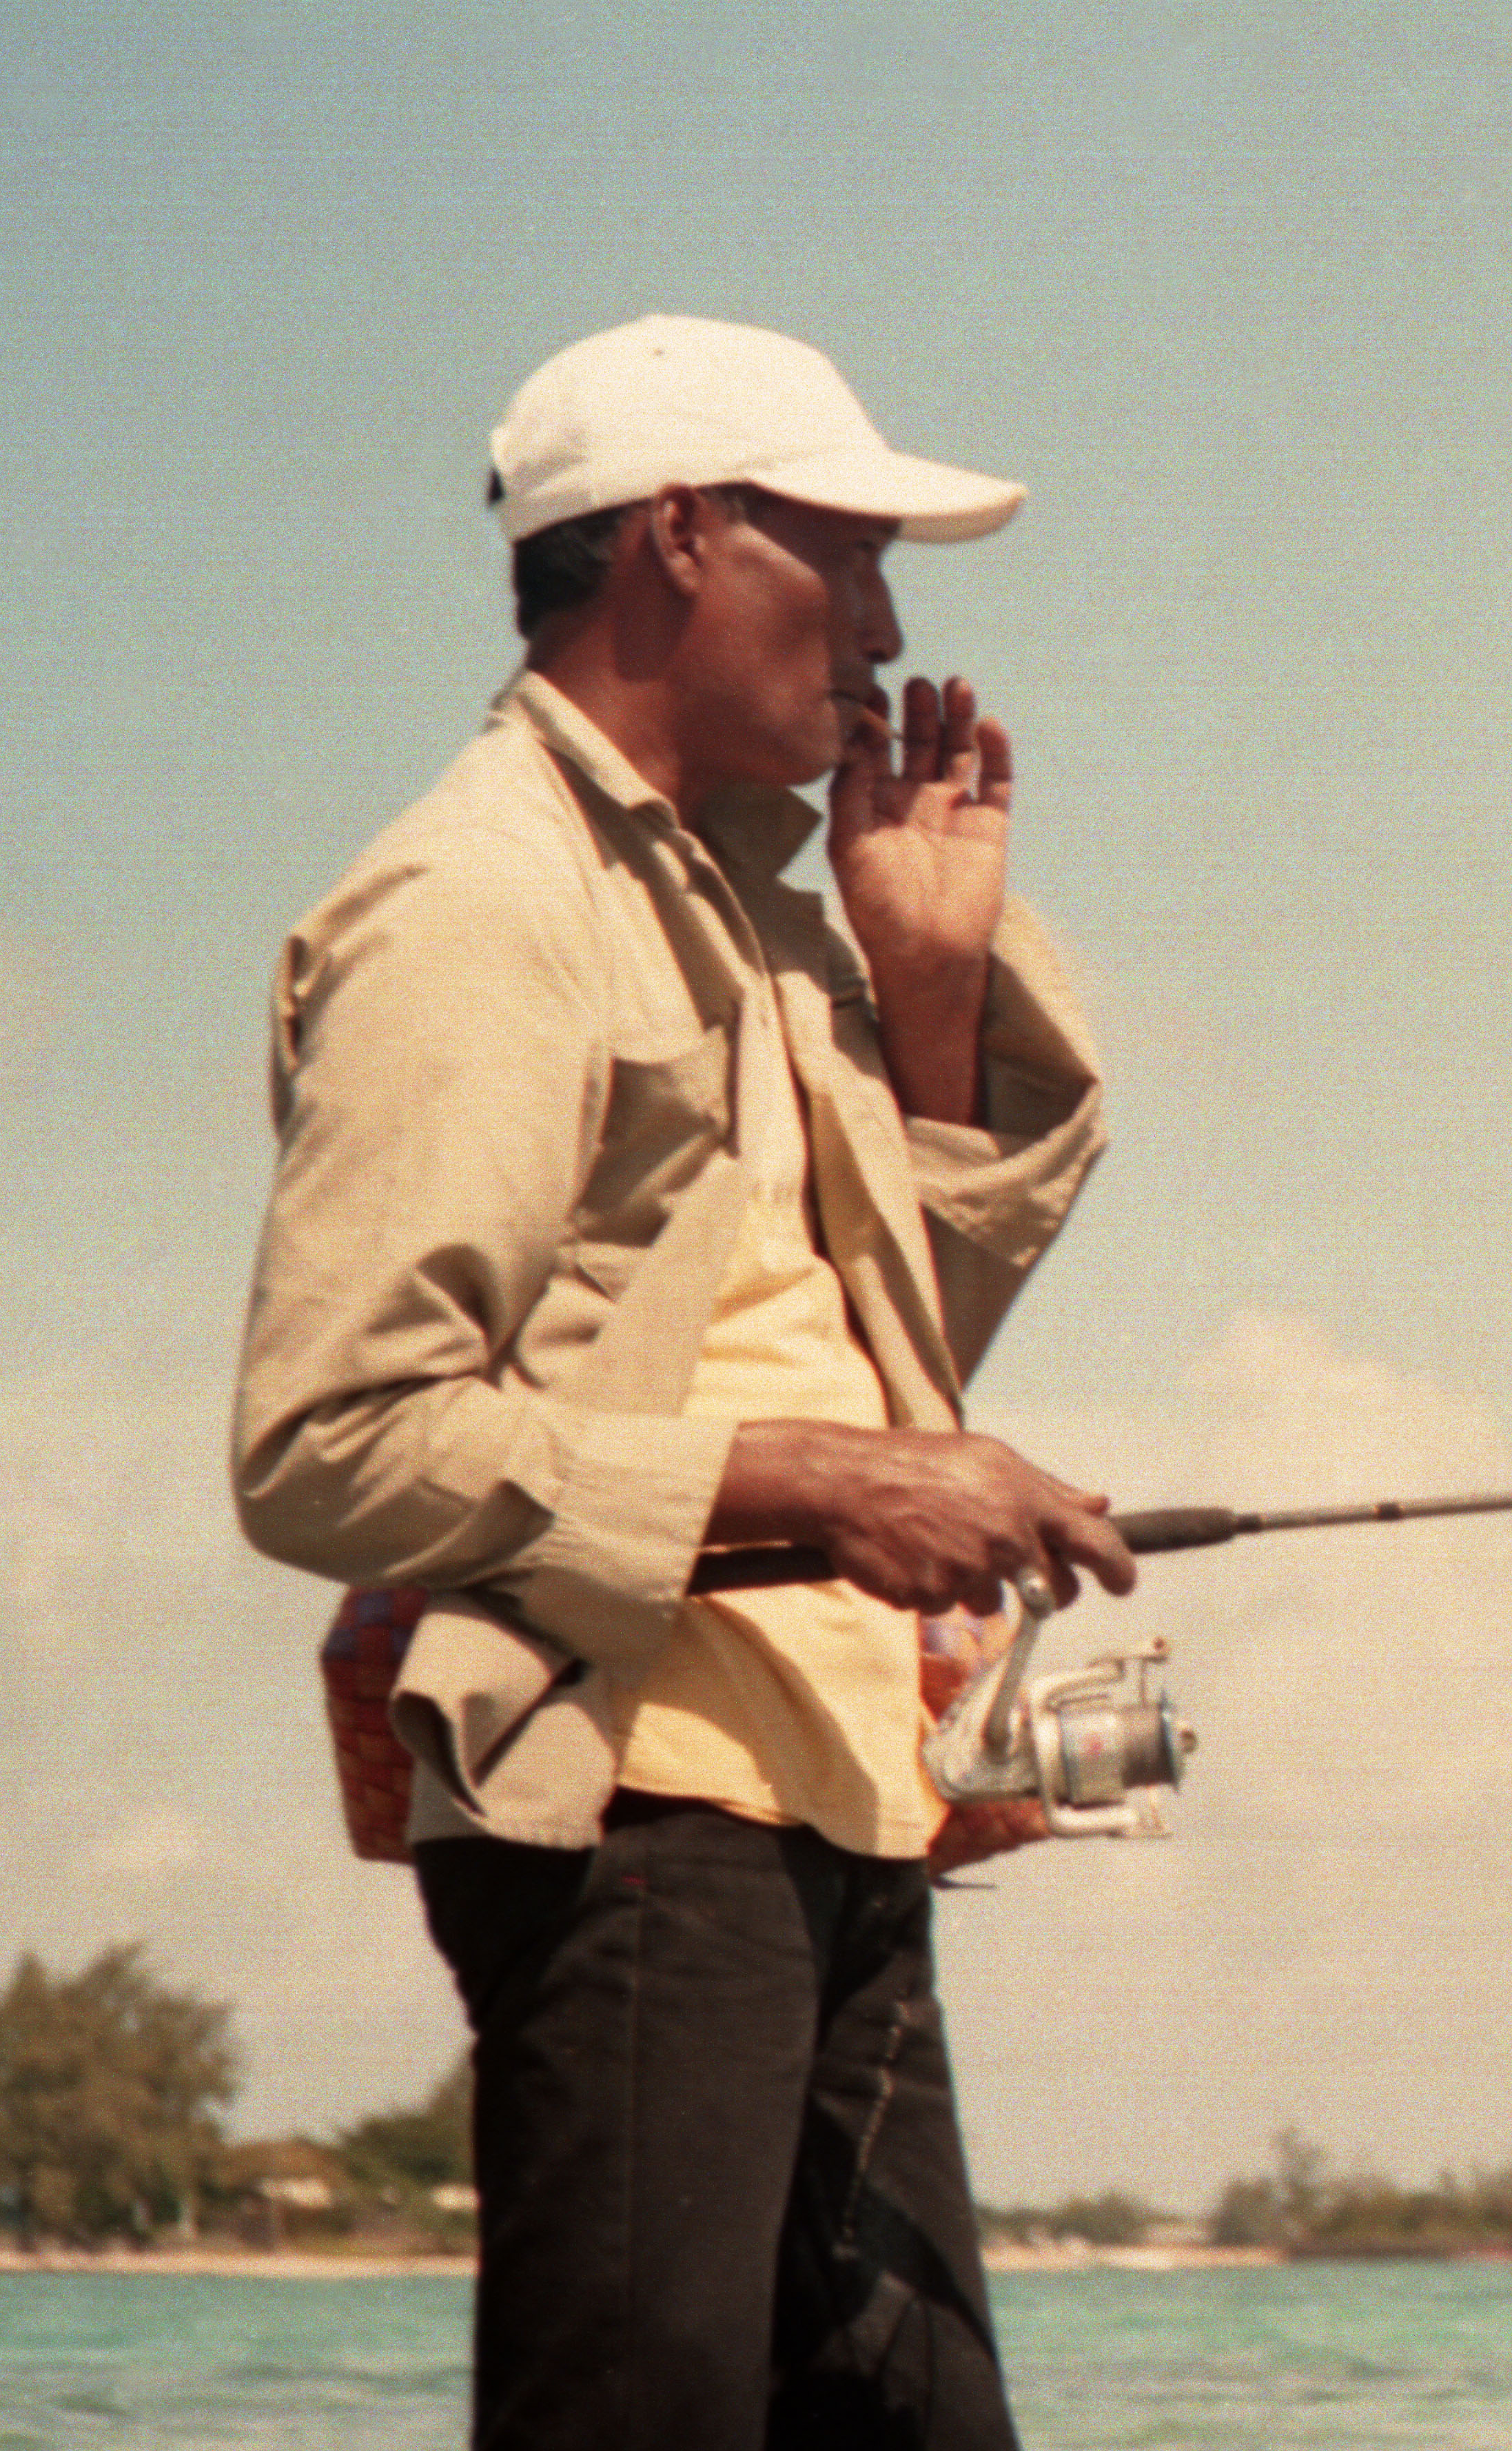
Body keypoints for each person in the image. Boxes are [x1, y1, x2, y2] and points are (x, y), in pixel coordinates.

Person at [234, 315, 1138, 2450]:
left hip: (836, 1796)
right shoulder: (477, 906)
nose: (893, 629)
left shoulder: (765, 932)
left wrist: (927, 996)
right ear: (679, 541)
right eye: (848, 560)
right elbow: (326, 1444)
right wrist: (816, 1487)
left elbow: (886, 1344)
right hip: (632, 1823)